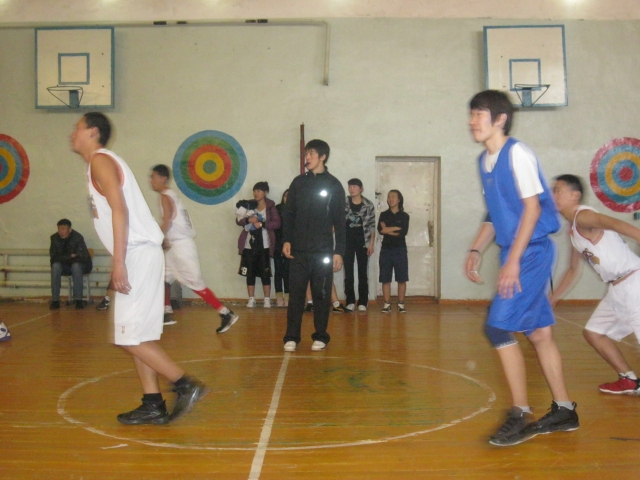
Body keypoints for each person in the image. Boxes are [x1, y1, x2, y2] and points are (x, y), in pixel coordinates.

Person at [71, 111, 207, 425]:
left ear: (93, 132)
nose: (72, 134)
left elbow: (120, 211)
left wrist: (118, 262)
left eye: (77, 128)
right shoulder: (99, 164)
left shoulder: (101, 161)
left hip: (136, 254)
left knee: (127, 337)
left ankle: (185, 384)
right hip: (139, 253)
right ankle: (152, 403)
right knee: (137, 335)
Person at [465, 90, 578, 447]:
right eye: (471, 114)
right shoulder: (484, 161)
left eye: (479, 114)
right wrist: (476, 248)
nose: (472, 121)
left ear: (500, 119)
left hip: (530, 252)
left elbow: (532, 209)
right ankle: (564, 410)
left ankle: (520, 413)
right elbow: (496, 213)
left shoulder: (517, 154)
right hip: (517, 251)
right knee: (540, 334)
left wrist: (513, 260)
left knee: (497, 327)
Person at [551, 174, 640, 395]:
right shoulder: (574, 229)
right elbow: (573, 270)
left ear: (575, 195)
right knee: (594, 333)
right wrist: (552, 300)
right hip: (618, 288)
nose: (553, 195)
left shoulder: (584, 217)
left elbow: (615, 223)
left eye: (558, 191)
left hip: (634, 283)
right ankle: (629, 380)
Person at [150, 164, 238, 333]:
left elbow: (167, 222)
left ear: (163, 178)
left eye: (153, 177)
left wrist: (157, 239)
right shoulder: (171, 195)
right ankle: (166, 313)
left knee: (195, 283)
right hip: (174, 246)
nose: (151, 181)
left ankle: (226, 313)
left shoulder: (165, 197)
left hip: (182, 247)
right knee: (161, 277)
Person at [282, 139, 346, 351]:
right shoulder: (298, 183)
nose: (307, 157)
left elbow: (340, 221)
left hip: (323, 252)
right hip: (298, 251)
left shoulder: (334, 185)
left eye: (311, 153)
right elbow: (289, 214)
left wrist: (338, 251)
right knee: (296, 296)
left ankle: (321, 336)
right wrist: (287, 239)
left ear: (322, 156)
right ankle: (291, 337)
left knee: (321, 295)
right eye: (306, 153)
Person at [236, 182, 281, 308]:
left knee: (265, 272)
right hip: (249, 245)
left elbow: (277, 223)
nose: (256, 193)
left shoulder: (271, 206)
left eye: (259, 191)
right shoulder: (248, 204)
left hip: (265, 244)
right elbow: (238, 220)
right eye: (254, 190)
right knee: (249, 272)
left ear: (265, 192)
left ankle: (267, 299)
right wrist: (248, 220)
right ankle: (251, 299)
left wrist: (262, 224)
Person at [343, 178, 376, 312]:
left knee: (363, 273)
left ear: (361, 188)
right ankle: (350, 300)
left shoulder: (368, 205)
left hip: (363, 242)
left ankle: (363, 301)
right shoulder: (343, 203)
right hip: (347, 242)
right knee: (348, 273)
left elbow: (372, 225)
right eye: (350, 187)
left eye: (354, 186)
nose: (352, 189)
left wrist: (371, 244)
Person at [377, 190, 410, 313]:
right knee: (385, 278)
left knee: (401, 277)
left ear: (399, 199)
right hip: (386, 249)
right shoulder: (383, 215)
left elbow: (403, 232)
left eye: (393, 197)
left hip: (400, 249)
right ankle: (387, 304)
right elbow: (381, 230)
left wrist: (388, 229)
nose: (390, 199)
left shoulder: (404, 216)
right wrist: (395, 228)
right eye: (389, 197)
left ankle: (401, 303)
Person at [49, 219, 93, 310]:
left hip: (81, 266)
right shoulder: (54, 238)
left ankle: (78, 300)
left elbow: (83, 256)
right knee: (55, 266)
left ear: (70, 230)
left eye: (63, 229)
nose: (61, 231)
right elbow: (53, 258)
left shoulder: (78, 237)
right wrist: (70, 256)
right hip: (64, 266)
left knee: (76, 266)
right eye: (59, 229)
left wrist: (65, 258)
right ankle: (55, 300)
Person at [273, 189, 290, 307]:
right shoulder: (277, 209)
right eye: (285, 196)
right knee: (278, 270)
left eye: (290, 196)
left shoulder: (296, 210)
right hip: (277, 244)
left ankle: (288, 296)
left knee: (288, 271)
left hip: (291, 245)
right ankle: (279, 296)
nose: (287, 198)